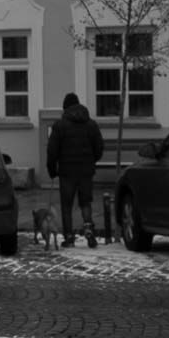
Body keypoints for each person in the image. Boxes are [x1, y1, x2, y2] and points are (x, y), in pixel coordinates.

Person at [46, 91, 104, 247]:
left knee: (67, 205)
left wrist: (52, 170)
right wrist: (92, 160)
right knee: (86, 202)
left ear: (65, 108)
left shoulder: (59, 126)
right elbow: (99, 147)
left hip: (67, 172)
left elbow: (52, 151)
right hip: (86, 171)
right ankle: (89, 232)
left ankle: (69, 236)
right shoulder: (91, 124)